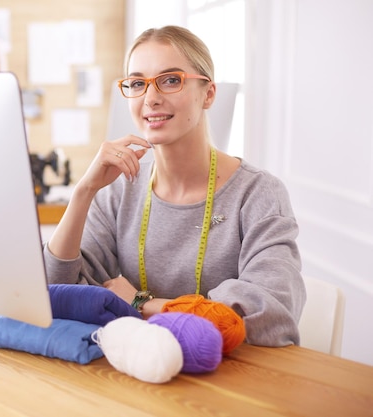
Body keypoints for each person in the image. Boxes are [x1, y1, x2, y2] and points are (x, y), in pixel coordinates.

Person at [43, 25, 305, 347]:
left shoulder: (258, 194)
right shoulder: (117, 190)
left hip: (228, 378)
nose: (151, 98)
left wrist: (141, 304)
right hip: (136, 371)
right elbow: (55, 294)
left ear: (208, 93)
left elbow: (269, 313)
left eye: (170, 80)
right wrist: (83, 192)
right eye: (137, 83)